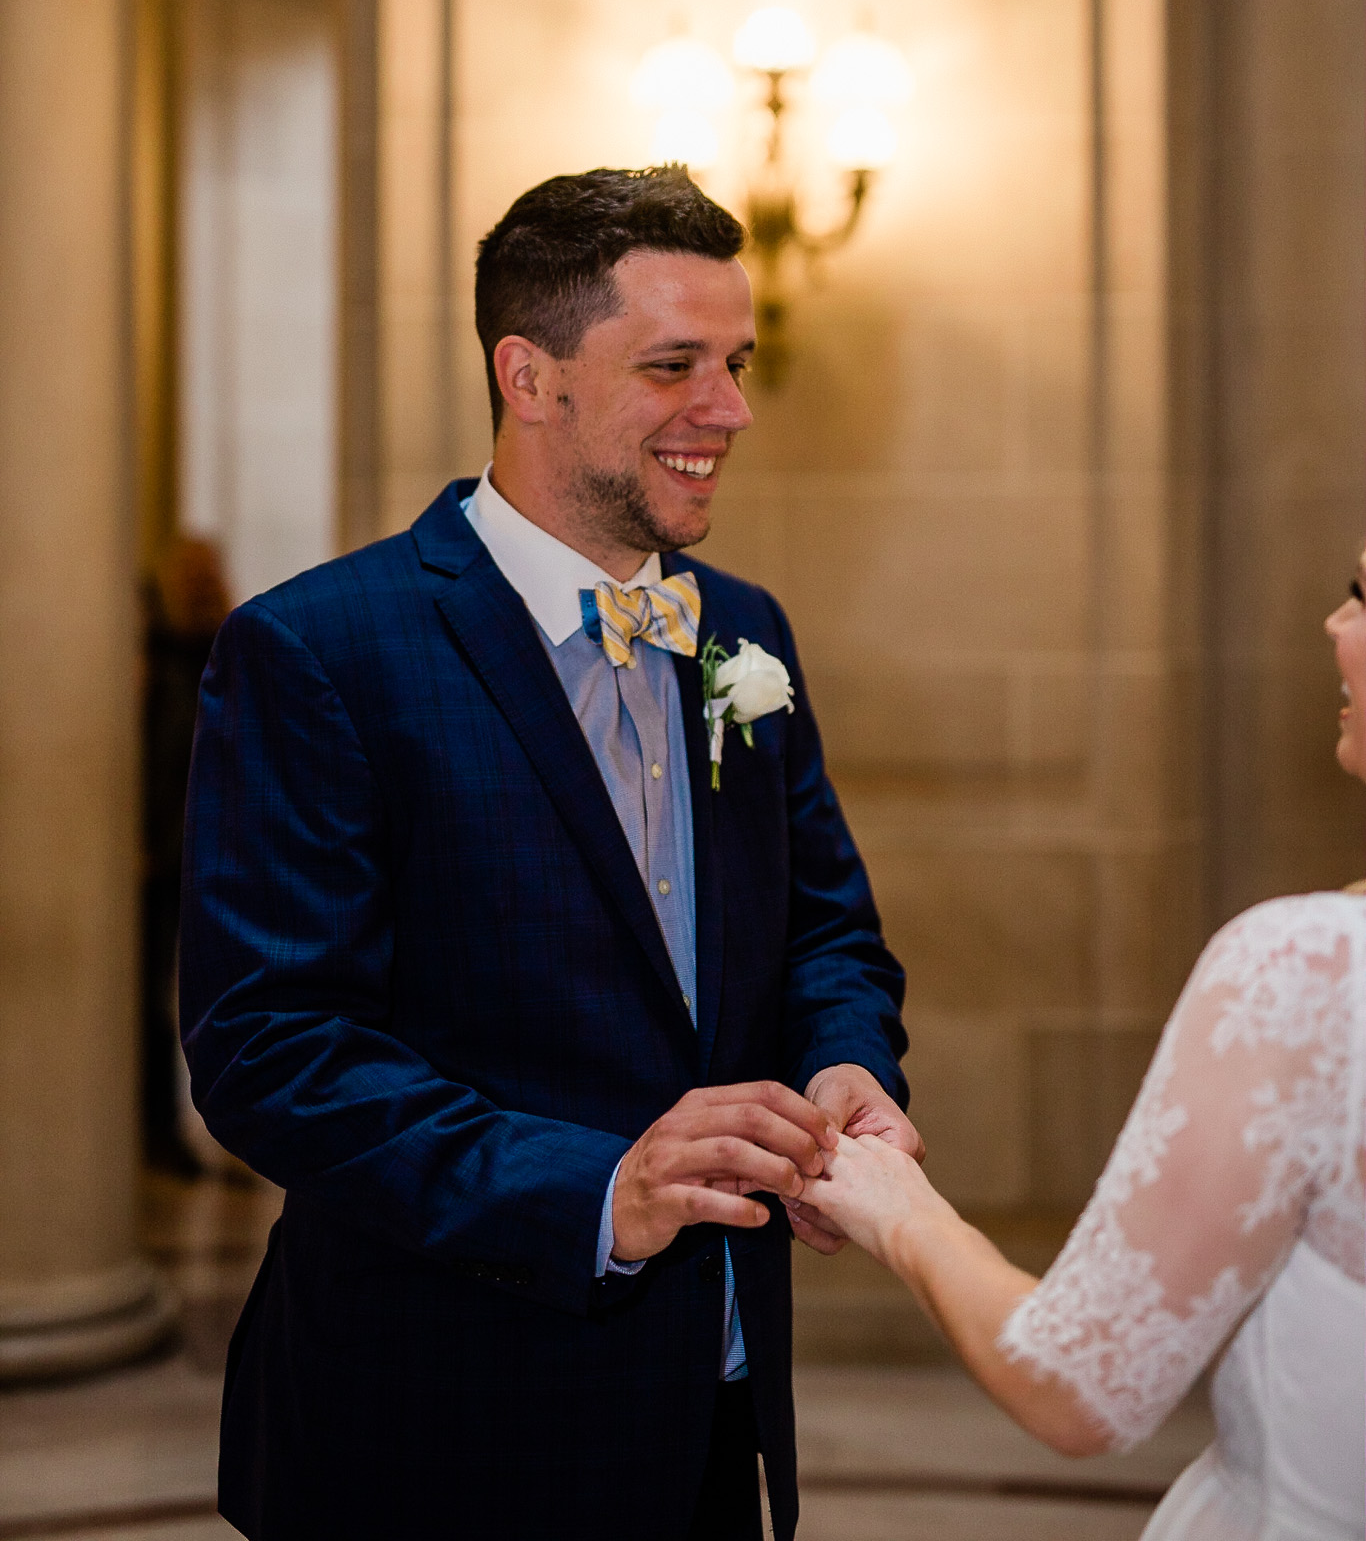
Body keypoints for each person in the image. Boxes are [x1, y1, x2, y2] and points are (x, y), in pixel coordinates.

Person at [179, 166, 915, 1541]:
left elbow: (825, 933)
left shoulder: (741, 629)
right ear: (529, 376)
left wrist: (844, 1068)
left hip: (714, 1402)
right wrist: (598, 1190)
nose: (730, 411)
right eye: (673, 366)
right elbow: (271, 1050)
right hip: (432, 1429)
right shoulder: (320, 652)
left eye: (737, 364)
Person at [805, 553, 1366, 1540]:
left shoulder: (1306, 970)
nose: (1330, 622)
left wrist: (900, 1211)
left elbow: (1077, 1383)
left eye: (1364, 594)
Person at [141, 534, 230, 1175]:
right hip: (157, 855)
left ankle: (221, 1137)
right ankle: (157, 1128)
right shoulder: (156, 658)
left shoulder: (228, 652)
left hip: (209, 851)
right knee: (149, 996)